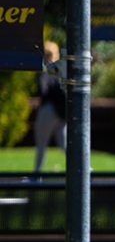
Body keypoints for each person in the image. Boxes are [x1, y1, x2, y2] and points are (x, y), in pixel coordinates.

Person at [33, 41, 67, 173]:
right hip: (62, 112)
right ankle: (83, 168)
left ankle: (37, 174)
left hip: (48, 109)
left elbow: (43, 90)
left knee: (41, 144)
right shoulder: (61, 70)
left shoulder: (46, 70)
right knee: (64, 143)